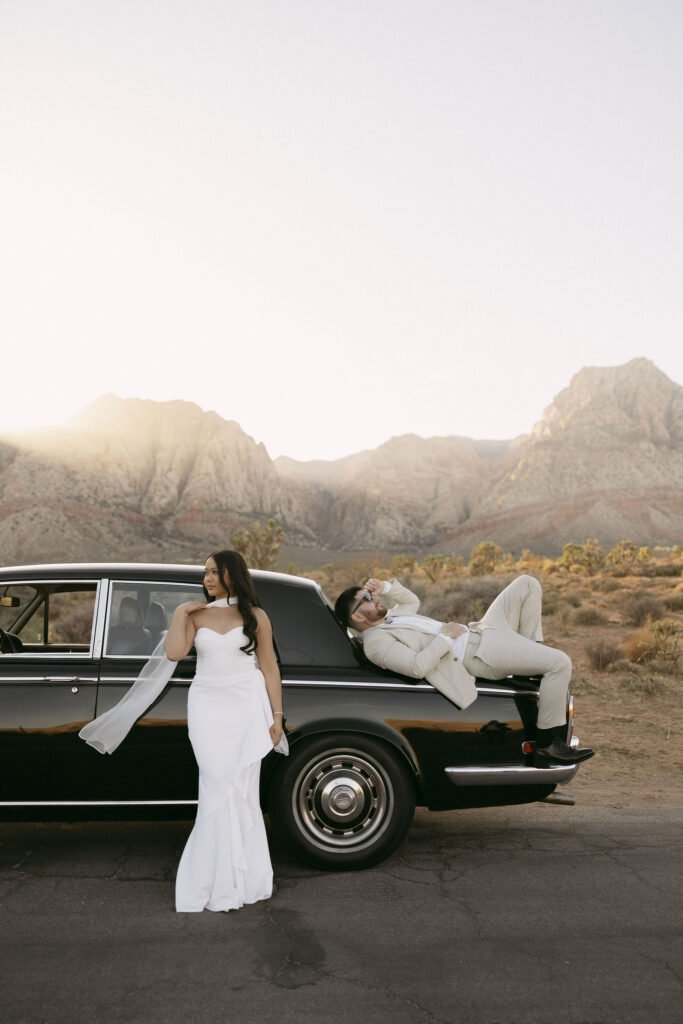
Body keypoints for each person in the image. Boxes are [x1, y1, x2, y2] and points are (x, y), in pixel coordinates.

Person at [81, 550, 285, 913]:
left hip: (245, 708)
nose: (207, 579)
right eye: (205, 573)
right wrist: (179, 612)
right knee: (216, 784)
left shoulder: (256, 616)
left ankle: (243, 879)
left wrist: (277, 715)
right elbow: (175, 653)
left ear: (232, 574)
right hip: (207, 706)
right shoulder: (195, 614)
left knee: (241, 790)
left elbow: (269, 666)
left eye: (214, 572)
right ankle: (209, 879)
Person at [334, 574, 593, 768]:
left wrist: (385, 587)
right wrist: (445, 636)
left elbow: (412, 600)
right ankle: (548, 746)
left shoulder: (390, 617)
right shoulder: (376, 643)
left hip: (483, 630)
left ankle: (526, 666)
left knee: (527, 583)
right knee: (560, 663)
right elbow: (416, 667)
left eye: (371, 595)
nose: (374, 598)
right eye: (366, 599)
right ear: (357, 618)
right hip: (479, 653)